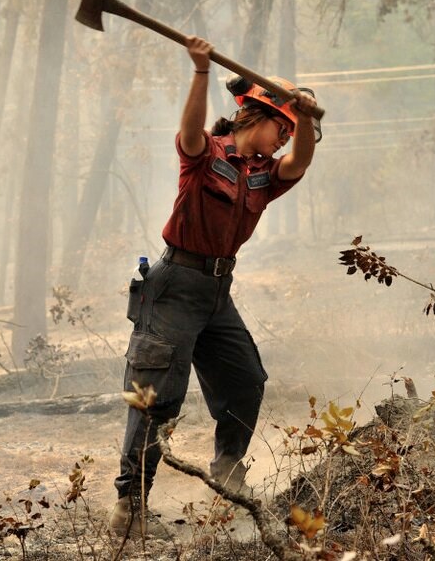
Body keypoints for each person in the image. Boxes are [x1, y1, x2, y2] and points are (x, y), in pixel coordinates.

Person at [109, 35, 320, 539]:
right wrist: (200, 71)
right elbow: (188, 131)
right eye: (283, 129)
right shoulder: (205, 154)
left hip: (216, 293)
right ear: (255, 118)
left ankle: (227, 466)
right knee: (155, 397)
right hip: (174, 285)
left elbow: (302, 163)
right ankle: (129, 509)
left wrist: (308, 119)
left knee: (245, 379)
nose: (285, 141)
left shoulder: (265, 176)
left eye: (291, 132)